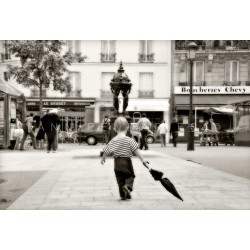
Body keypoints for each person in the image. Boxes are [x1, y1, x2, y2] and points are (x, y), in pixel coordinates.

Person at [101, 117, 148, 200]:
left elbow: (106, 150)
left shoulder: (113, 140)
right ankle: (127, 187)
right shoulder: (129, 140)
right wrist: (143, 160)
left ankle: (123, 195)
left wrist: (103, 159)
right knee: (130, 176)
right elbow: (136, 151)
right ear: (128, 127)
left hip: (117, 162)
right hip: (126, 161)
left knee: (120, 180)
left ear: (115, 128)